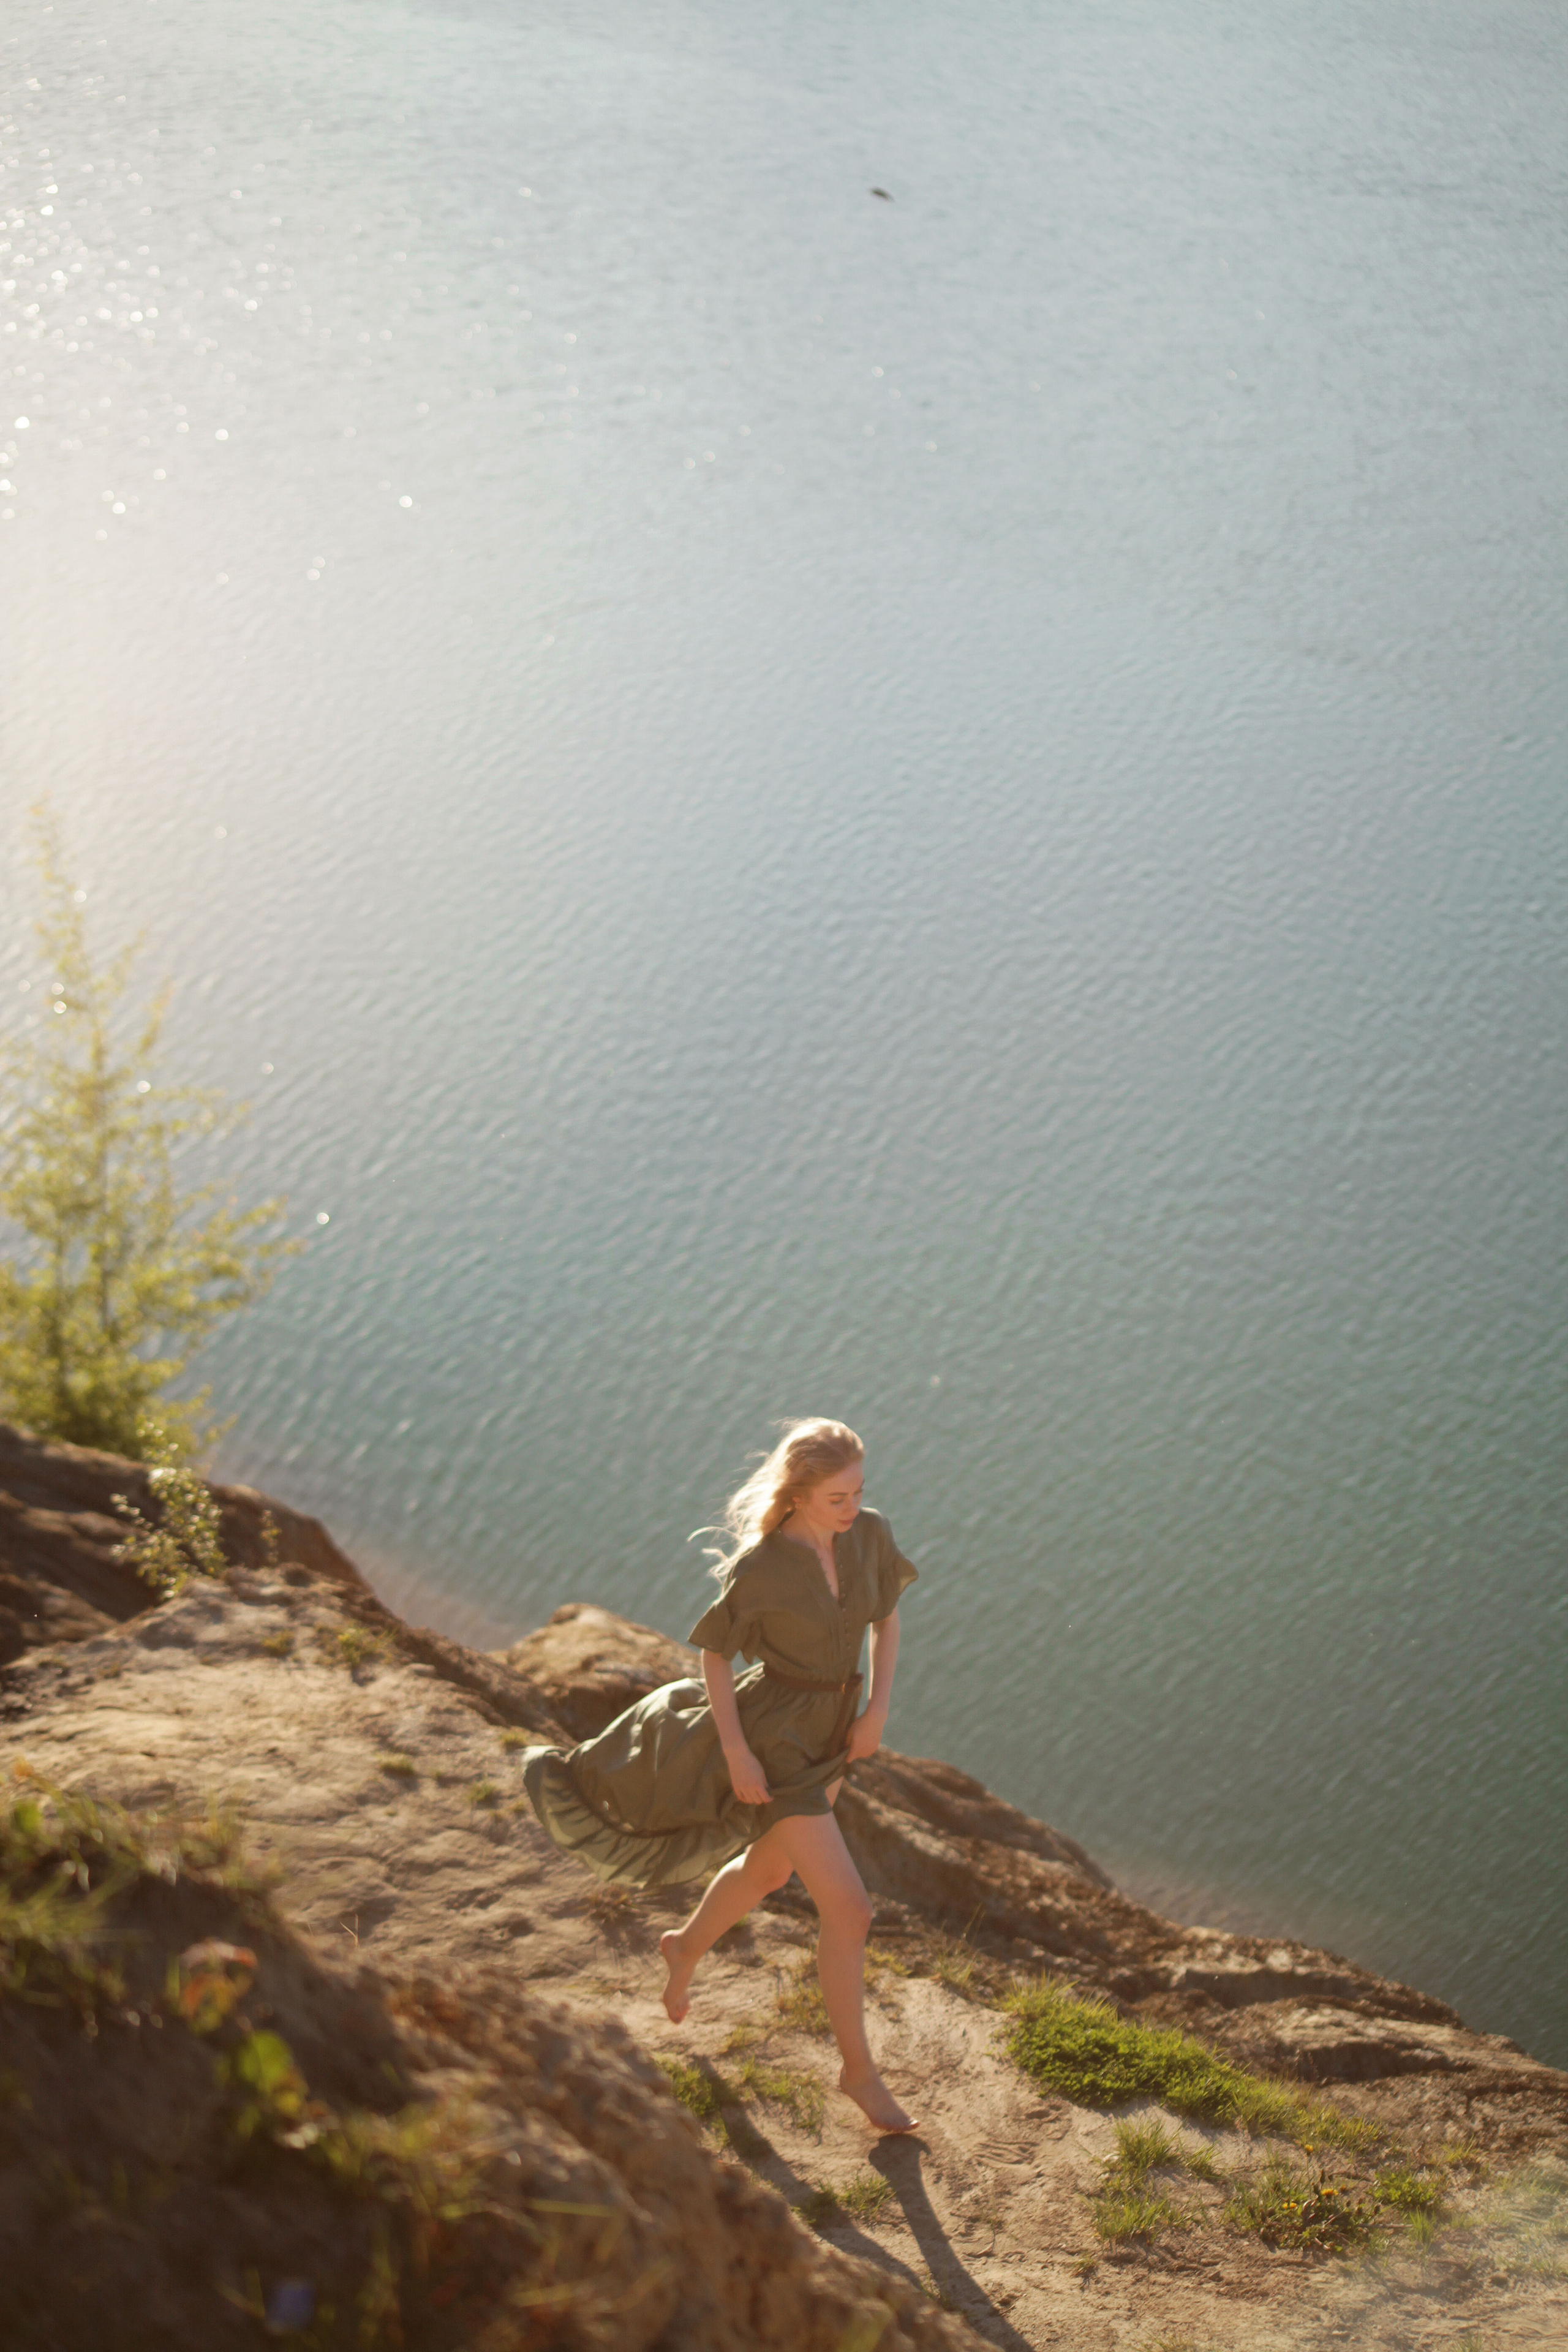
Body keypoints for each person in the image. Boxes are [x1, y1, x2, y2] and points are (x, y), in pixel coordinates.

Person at [521, 1417, 918, 2133]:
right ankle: (858, 2074)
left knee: (767, 1874)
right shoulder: (761, 1566)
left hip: (834, 1728)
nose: (852, 1508)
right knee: (849, 1909)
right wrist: (736, 1751)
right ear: (796, 1494)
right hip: (779, 1741)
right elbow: (714, 1656)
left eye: (859, 1491)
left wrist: (878, 1709)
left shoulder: (869, 1534)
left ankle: (683, 1948)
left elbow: (885, 1622)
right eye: (837, 1497)